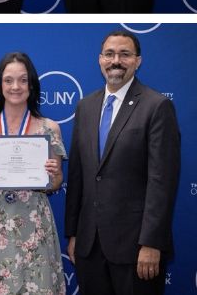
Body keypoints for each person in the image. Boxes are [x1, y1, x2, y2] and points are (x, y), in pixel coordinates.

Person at [65, 31, 180, 295]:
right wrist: (73, 234)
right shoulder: (85, 106)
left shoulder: (157, 106)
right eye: (109, 54)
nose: (116, 60)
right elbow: (79, 174)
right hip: (89, 247)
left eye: (125, 54)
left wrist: (152, 243)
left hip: (137, 249)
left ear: (137, 61)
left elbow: (162, 181)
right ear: (100, 60)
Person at [0, 51, 66, 295]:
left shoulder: (50, 128)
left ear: (32, 84)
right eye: (8, 80)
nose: (15, 86)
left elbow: (57, 181)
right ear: (0, 84)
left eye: (23, 80)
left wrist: (53, 176)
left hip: (34, 225)